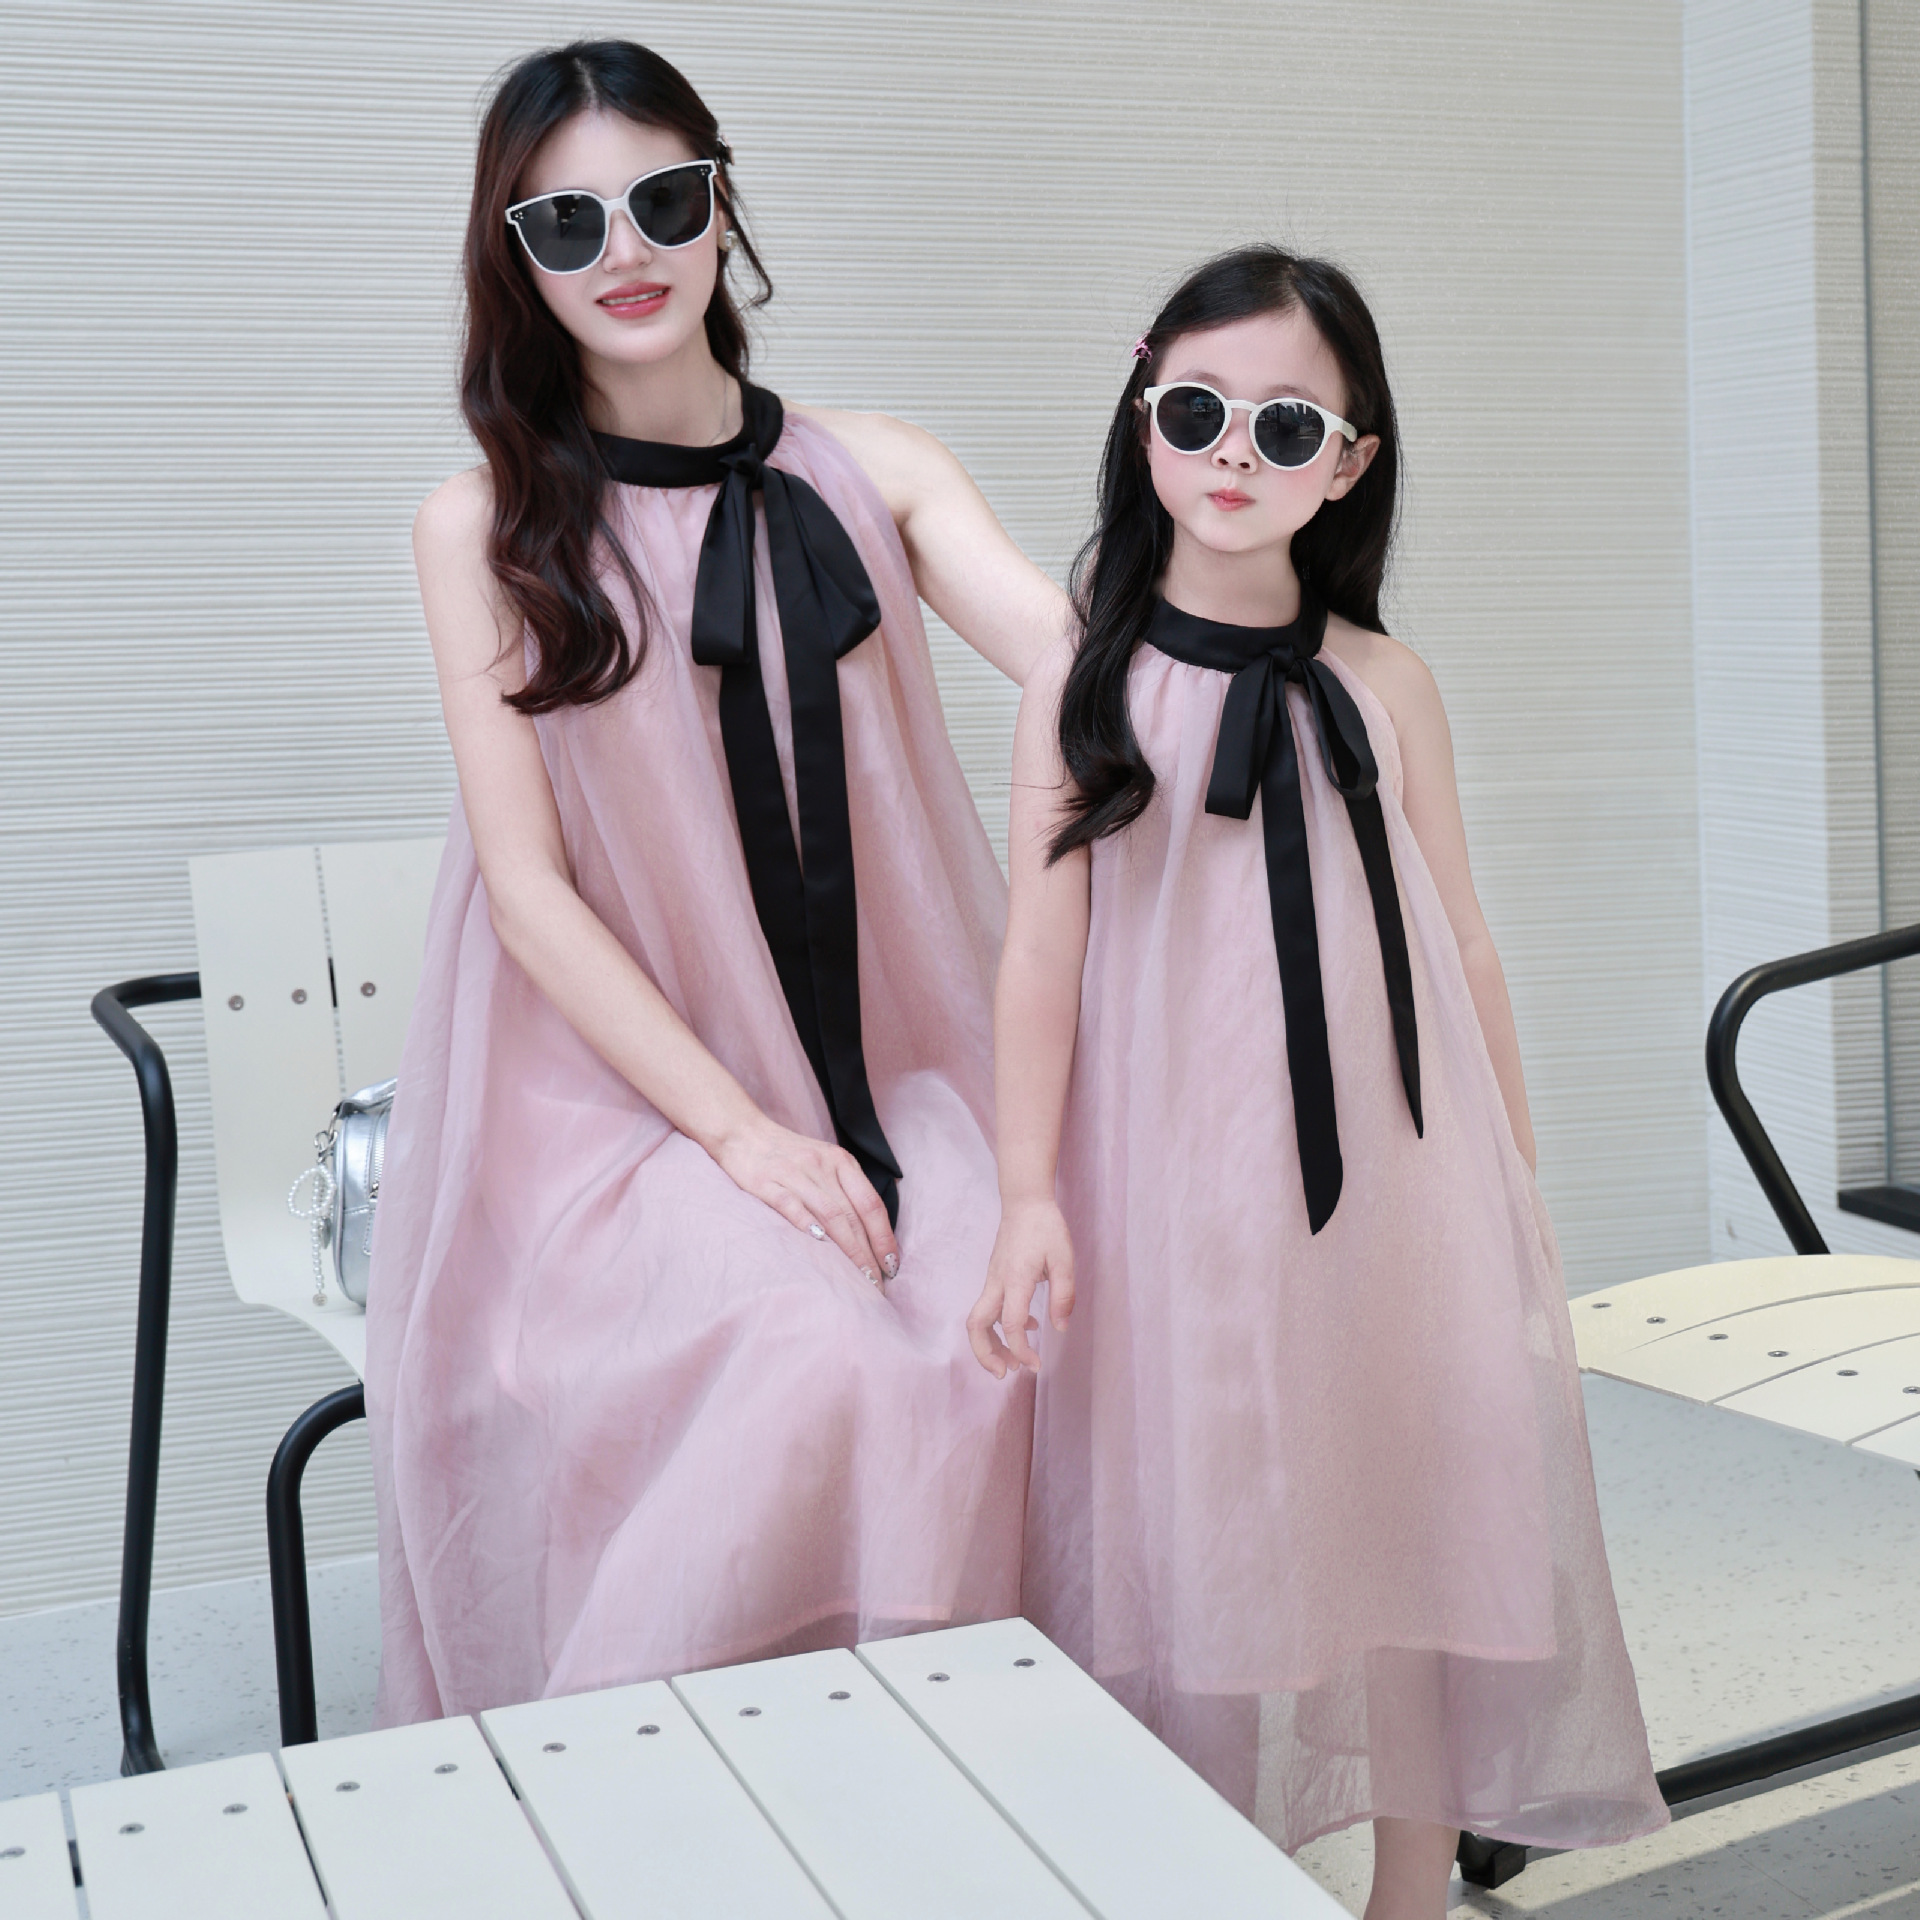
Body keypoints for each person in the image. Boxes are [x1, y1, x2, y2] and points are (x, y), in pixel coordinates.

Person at [367, 38, 1065, 1723]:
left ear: (724, 206)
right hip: (613, 1110)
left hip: (905, 1070)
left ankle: (961, 1788)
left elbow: (1091, 675)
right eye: (568, 224)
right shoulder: (480, 529)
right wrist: (744, 1138)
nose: (627, 252)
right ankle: (654, 1807)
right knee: (807, 1355)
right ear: (515, 261)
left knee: (1011, 1338)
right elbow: (529, 896)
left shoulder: (883, 469)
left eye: (665, 201)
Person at [968, 246, 1666, 1919]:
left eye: (1287, 428)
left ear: (1348, 465)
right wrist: (1026, 1193)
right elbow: (1042, 955)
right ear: (1144, 411)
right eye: (1198, 412)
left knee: (1421, 1490)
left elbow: (1463, 942)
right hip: (1178, 1180)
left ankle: (1410, 1887)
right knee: (1204, 1510)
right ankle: (1204, 1870)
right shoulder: (1086, 677)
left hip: (1399, 1171)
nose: (1235, 454)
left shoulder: (1388, 681)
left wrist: (1513, 1185)